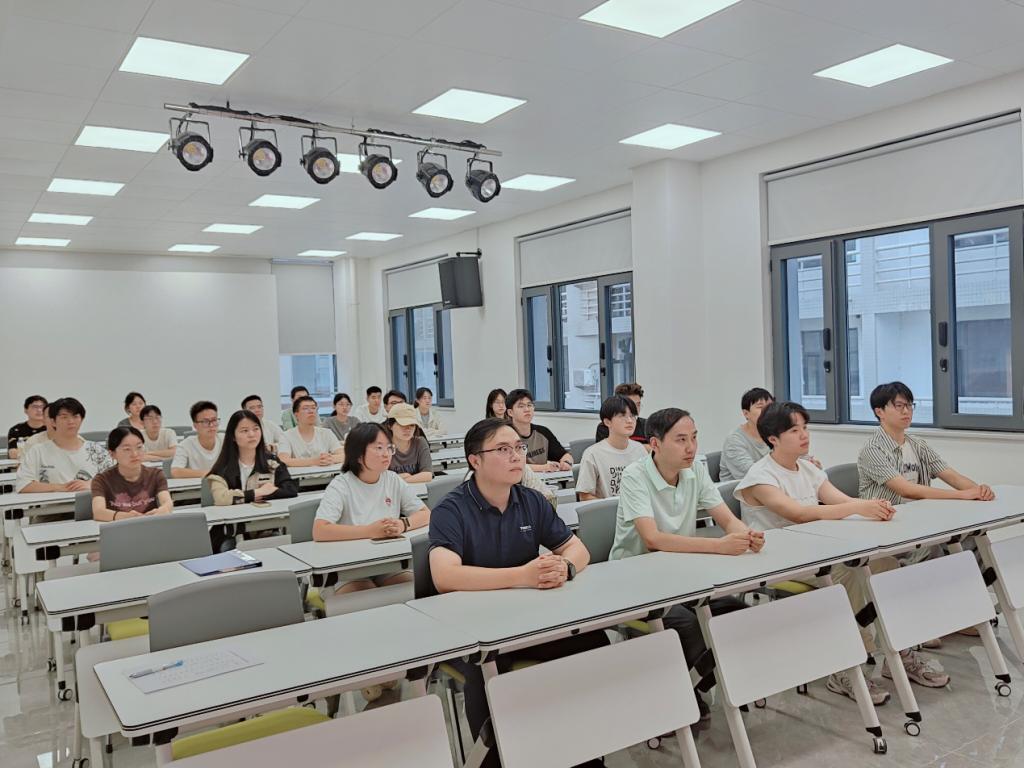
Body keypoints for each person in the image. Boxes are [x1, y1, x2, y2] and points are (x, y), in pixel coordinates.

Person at [736, 401, 948, 698]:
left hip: (817, 553)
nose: (804, 435)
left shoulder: (807, 468)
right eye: (794, 430)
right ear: (773, 438)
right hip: (780, 562)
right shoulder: (761, 476)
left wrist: (871, 507)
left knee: (885, 565)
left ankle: (900, 652)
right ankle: (848, 667)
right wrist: (860, 507)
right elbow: (799, 514)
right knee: (851, 574)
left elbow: (839, 500)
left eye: (805, 428)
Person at [429, 418, 607, 767]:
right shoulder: (451, 509)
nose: (516, 456)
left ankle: (587, 751)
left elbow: (577, 549)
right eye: (503, 449)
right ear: (475, 460)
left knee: (593, 641)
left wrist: (565, 567)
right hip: (474, 631)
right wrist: (522, 576)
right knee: (486, 673)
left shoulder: (531, 501)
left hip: (527, 620)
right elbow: (444, 576)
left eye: (519, 448)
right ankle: (492, 757)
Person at [609, 407, 762, 718]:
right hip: (635, 579)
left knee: (736, 612)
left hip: (681, 575)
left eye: (694, 438)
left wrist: (746, 535)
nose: (690, 447)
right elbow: (653, 539)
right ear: (655, 444)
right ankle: (686, 693)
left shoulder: (695, 470)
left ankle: (717, 680)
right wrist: (719, 546)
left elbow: (726, 519)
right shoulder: (635, 475)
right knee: (688, 625)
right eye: (681, 440)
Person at [859, 381, 995, 504]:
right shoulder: (873, 449)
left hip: (918, 512)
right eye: (899, 406)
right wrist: (962, 495)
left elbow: (952, 477)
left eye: (909, 405)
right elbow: (906, 490)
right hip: (884, 517)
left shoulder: (918, 445)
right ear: (880, 412)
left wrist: (979, 491)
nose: (906, 411)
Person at [16, 398, 114, 492]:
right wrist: (60, 487)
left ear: (82, 419)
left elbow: (117, 478)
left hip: (91, 502)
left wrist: (92, 484)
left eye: (75, 416)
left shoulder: (95, 450)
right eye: (64, 417)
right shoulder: (38, 451)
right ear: (53, 422)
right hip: (53, 503)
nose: (71, 421)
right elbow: (23, 485)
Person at [207, 410, 298, 505]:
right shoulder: (222, 468)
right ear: (233, 436)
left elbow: (291, 489)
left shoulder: (272, 462)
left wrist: (249, 496)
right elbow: (221, 498)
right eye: (245, 430)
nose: (252, 434)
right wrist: (258, 492)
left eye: (256, 429)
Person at [91, 427, 172, 521]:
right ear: (112, 454)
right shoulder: (101, 480)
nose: (135, 454)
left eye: (139, 447)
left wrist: (164, 510)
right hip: (118, 527)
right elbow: (98, 512)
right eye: (127, 449)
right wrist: (127, 518)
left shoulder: (156, 474)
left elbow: (167, 502)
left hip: (150, 525)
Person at [576, 395, 647, 500]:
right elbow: (584, 495)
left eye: (632, 416)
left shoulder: (640, 449)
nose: (630, 421)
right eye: (622, 416)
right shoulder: (593, 454)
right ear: (607, 422)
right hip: (609, 509)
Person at [505, 388, 572, 471]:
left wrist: (566, 462)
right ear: (510, 412)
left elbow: (564, 455)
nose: (527, 409)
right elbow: (510, 465)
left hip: (544, 478)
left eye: (529, 405)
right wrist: (544, 467)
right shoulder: (505, 435)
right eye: (521, 406)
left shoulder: (543, 432)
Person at [718, 387, 773, 482]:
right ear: (746, 413)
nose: (768, 411)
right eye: (760, 407)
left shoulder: (776, 433)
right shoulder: (734, 440)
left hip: (770, 484)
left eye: (770, 407)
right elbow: (753, 475)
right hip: (740, 488)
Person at [278, 396, 344, 467]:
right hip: (300, 474)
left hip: (326, 473)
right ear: (296, 415)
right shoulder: (286, 436)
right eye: (305, 408)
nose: (311, 411)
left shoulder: (327, 433)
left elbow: (344, 455)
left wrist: (330, 459)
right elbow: (283, 460)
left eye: (313, 408)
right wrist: (314, 461)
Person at [171, 401, 224, 478]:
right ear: (195, 425)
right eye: (205, 422)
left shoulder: (225, 440)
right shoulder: (186, 445)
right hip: (198, 484)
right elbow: (175, 472)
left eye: (214, 420)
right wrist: (212, 473)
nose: (211, 425)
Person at [385, 403, 433, 483]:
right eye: (402, 424)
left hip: (417, 489)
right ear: (390, 425)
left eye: (412, 425)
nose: (408, 429)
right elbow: (382, 478)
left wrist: (401, 479)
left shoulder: (420, 442)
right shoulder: (383, 446)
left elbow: (427, 475)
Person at [7, 394, 47, 460]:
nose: (39, 410)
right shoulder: (16, 430)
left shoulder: (52, 428)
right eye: (35, 407)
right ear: (26, 410)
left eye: (42, 407)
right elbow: (13, 454)